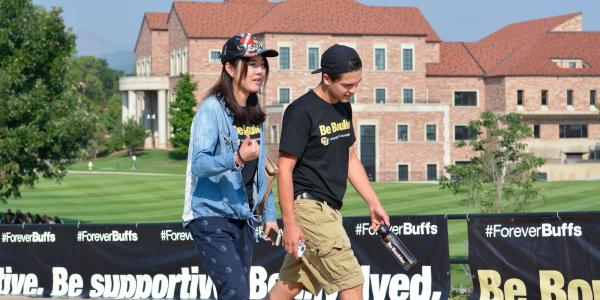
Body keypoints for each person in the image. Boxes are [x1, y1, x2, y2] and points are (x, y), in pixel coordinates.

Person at [267, 44, 391, 300]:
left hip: (330, 210)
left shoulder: (343, 106)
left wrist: (373, 203)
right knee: (351, 281)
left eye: (357, 83)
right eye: (347, 85)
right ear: (326, 78)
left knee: (292, 284)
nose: (353, 90)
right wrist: (289, 223)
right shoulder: (300, 112)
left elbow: (349, 157)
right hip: (310, 210)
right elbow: (285, 169)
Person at [182, 32, 279, 300]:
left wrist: (269, 214)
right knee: (236, 292)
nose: (259, 70)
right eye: (252, 63)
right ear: (229, 67)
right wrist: (236, 159)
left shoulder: (255, 110)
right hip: (210, 215)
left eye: (262, 64)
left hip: (244, 217)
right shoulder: (211, 110)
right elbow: (199, 165)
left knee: (234, 292)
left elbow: (262, 169)